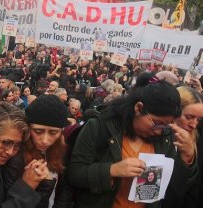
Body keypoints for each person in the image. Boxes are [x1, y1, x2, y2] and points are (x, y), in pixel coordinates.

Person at [66, 73, 197, 208]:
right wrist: (111, 170)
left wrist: (187, 157)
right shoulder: (100, 126)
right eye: (157, 123)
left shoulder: (164, 138)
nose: (159, 130)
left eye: (166, 125)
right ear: (138, 108)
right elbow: (75, 174)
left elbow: (173, 187)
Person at [3, 95, 70, 208]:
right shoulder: (14, 156)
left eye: (53, 133)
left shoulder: (62, 150)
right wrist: (45, 184)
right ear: (28, 128)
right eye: (38, 131)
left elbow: (65, 189)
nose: (45, 141)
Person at [162, 86, 203, 208]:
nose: (194, 125)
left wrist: (189, 158)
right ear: (174, 111)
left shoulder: (196, 140)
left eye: (198, 119)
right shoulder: (154, 135)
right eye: (189, 117)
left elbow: (192, 188)